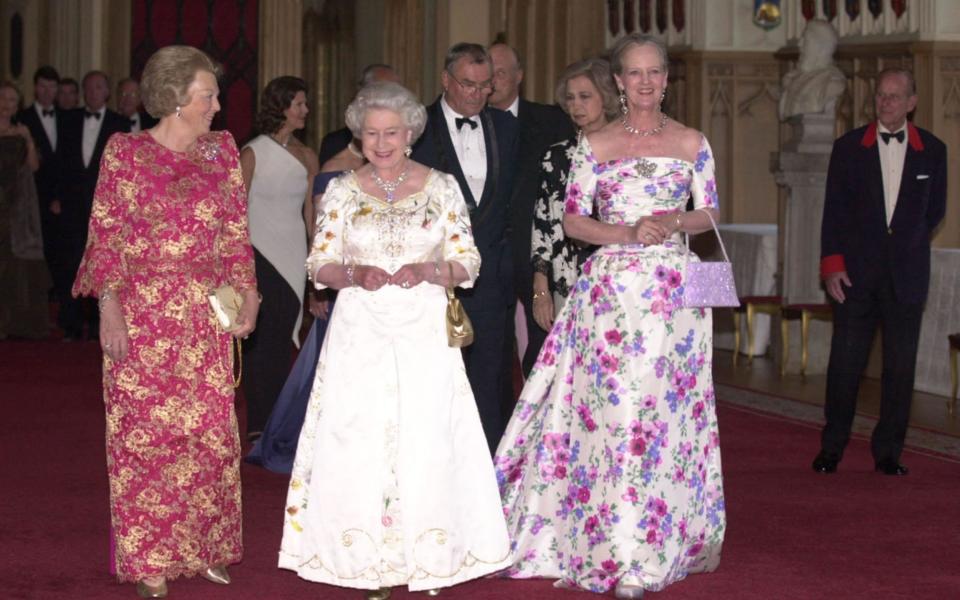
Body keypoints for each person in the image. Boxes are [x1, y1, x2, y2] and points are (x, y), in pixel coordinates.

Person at [494, 34, 726, 598]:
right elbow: (574, 222)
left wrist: (672, 222)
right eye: (634, 74)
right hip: (613, 296)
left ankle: (663, 539)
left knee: (667, 416)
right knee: (617, 412)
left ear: (667, 78)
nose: (645, 82)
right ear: (617, 81)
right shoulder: (594, 143)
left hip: (676, 296)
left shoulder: (693, 140)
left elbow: (712, 212)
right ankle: (614, 547)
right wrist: (626, 232)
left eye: (654, 73)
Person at [278, 81, 510, 599]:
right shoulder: (339, 189)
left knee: (425, 434)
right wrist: (353, 274)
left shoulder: (441, 186)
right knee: (357, 433)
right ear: (358, 137)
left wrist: (430, 268)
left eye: (391, 133)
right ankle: (366, 562)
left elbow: (468, 261)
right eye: (370, 134)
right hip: (360, 326)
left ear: (410, 134)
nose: (381, 143)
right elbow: (319, 263)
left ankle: (430, 558)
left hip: (423, 325)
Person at [71, 45, 259, 598]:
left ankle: (203, 546)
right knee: (145, 438)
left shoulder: (222, 151)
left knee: (208, 436)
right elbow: (105, 238)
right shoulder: (125, 154)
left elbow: (233, 233)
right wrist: (109, 307)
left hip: (204, 312)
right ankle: (150, 556)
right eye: (208, 96)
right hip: (143, 312)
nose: (218, 106)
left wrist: (248, 296)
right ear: (176, 100)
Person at [812, 68, 947, 477]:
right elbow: (832, 212)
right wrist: (833, 266)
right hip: (856, 276)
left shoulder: (933, 151)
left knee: (900, 368)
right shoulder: (849, 147)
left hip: (906, 278)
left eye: (894, 96)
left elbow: (934, 211)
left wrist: (903, 245)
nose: (886, 102)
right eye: (881, 96)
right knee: (845, 366)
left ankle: (888, 452)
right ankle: (832, 447)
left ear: (912, 103)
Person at [411, 43, 519, 455]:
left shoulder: (506, 129)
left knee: (490, 378)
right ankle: (435, 462)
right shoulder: (416, 126)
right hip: (431, 277)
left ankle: (487, 472)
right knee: (435, 375)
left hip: (492, 277)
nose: (476, 94)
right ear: (446, 81)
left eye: (484, 86)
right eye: (467, 85)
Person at [488, 42, 574, 379]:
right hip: (488, 255)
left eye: (501, 73)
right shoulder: (465, 125)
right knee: (489, 351)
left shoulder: (553, 120)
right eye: (486, 74)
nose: (492, 81)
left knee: (542, 345)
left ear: (519, 76)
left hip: (538, 252)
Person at [240, 76, 319, 442]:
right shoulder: (253, 152)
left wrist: (317, 260)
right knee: (262, 340)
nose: (305, 110)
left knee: (284, 337)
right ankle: (258, 423)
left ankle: (276, 421)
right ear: (282, 106)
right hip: (257, 253)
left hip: (293, 255)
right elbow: (235, 210)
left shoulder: (307, 155)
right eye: (299, 103)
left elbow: (310, 215)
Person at [530, 58, 618, 334]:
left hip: (618, 276)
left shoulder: (626, 154)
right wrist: (540, 290)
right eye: (569, 98)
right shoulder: (557, 156)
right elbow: (544, 226)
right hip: (567, 280)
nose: (575, 105)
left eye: (584, 96)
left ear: (606, 97)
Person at [56, 70, 130, 340]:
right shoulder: (69, 119)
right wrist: (57, 197)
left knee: (105, 265)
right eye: (88, 88)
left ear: (107, 92)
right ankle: (71, 323)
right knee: (72, 263)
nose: (93, 93)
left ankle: (103, 323)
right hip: (74, 207)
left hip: (106, 208)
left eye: (98, 88)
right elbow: (59, 162)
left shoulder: (119, 123)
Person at [0, 80, 50, 339]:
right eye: (3, 98)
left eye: (12, 100)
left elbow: (33, 167)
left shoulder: (22, 132)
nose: (7, 104)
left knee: (14, 265)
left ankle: (14, 324)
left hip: (16, 207)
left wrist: (29, 140)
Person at [317, 64, 400, 166]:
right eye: (386, 90)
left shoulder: (408, 140)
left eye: (397, 91)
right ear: (364, 93)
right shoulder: (335, 143)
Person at [778, 19, 846, 120]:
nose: (799, 44)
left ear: (821, 48)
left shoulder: (831, 83)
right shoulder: (793, 78)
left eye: (805, 40)